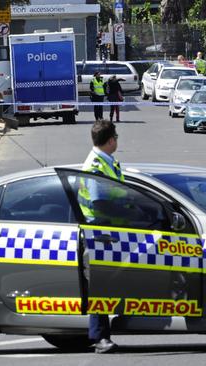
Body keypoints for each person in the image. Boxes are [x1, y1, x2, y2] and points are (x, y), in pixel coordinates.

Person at [79, 120, 123, 354]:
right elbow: (100, 202)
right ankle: (99, 337)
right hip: (100, 232)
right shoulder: (96, 166)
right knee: (101, 286)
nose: (117, 141)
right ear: (110, 140)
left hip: (109, 231)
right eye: (116, 137)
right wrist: (128, 212)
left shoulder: (105, 161)